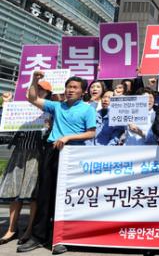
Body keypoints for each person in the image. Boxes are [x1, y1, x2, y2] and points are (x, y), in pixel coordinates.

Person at [18, 72, 96, 254]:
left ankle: (61, 238)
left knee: (67, 198)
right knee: (45, 194)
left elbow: (91, 133)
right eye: (68, 87)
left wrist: (68, 137)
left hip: (73, 155)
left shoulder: (87, 110)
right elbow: (32, 98)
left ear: (83, 92)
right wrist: (34, 80)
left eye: (75, 87)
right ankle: (39, 236)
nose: (70, 90)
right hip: (52, 151)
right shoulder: (57, 106)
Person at [0, 85, 48, 246]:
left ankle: (29, 229)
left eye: (41, 91)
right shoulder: (20, 107)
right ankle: (11, 228)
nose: (36, 92)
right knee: (14, 191)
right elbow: (6, 127)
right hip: (19, 152)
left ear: (46, 94)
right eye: (33, 90)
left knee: (33, 193)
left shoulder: (49, 109)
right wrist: (6, 105)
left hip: (37, 154)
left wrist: (48, 126)